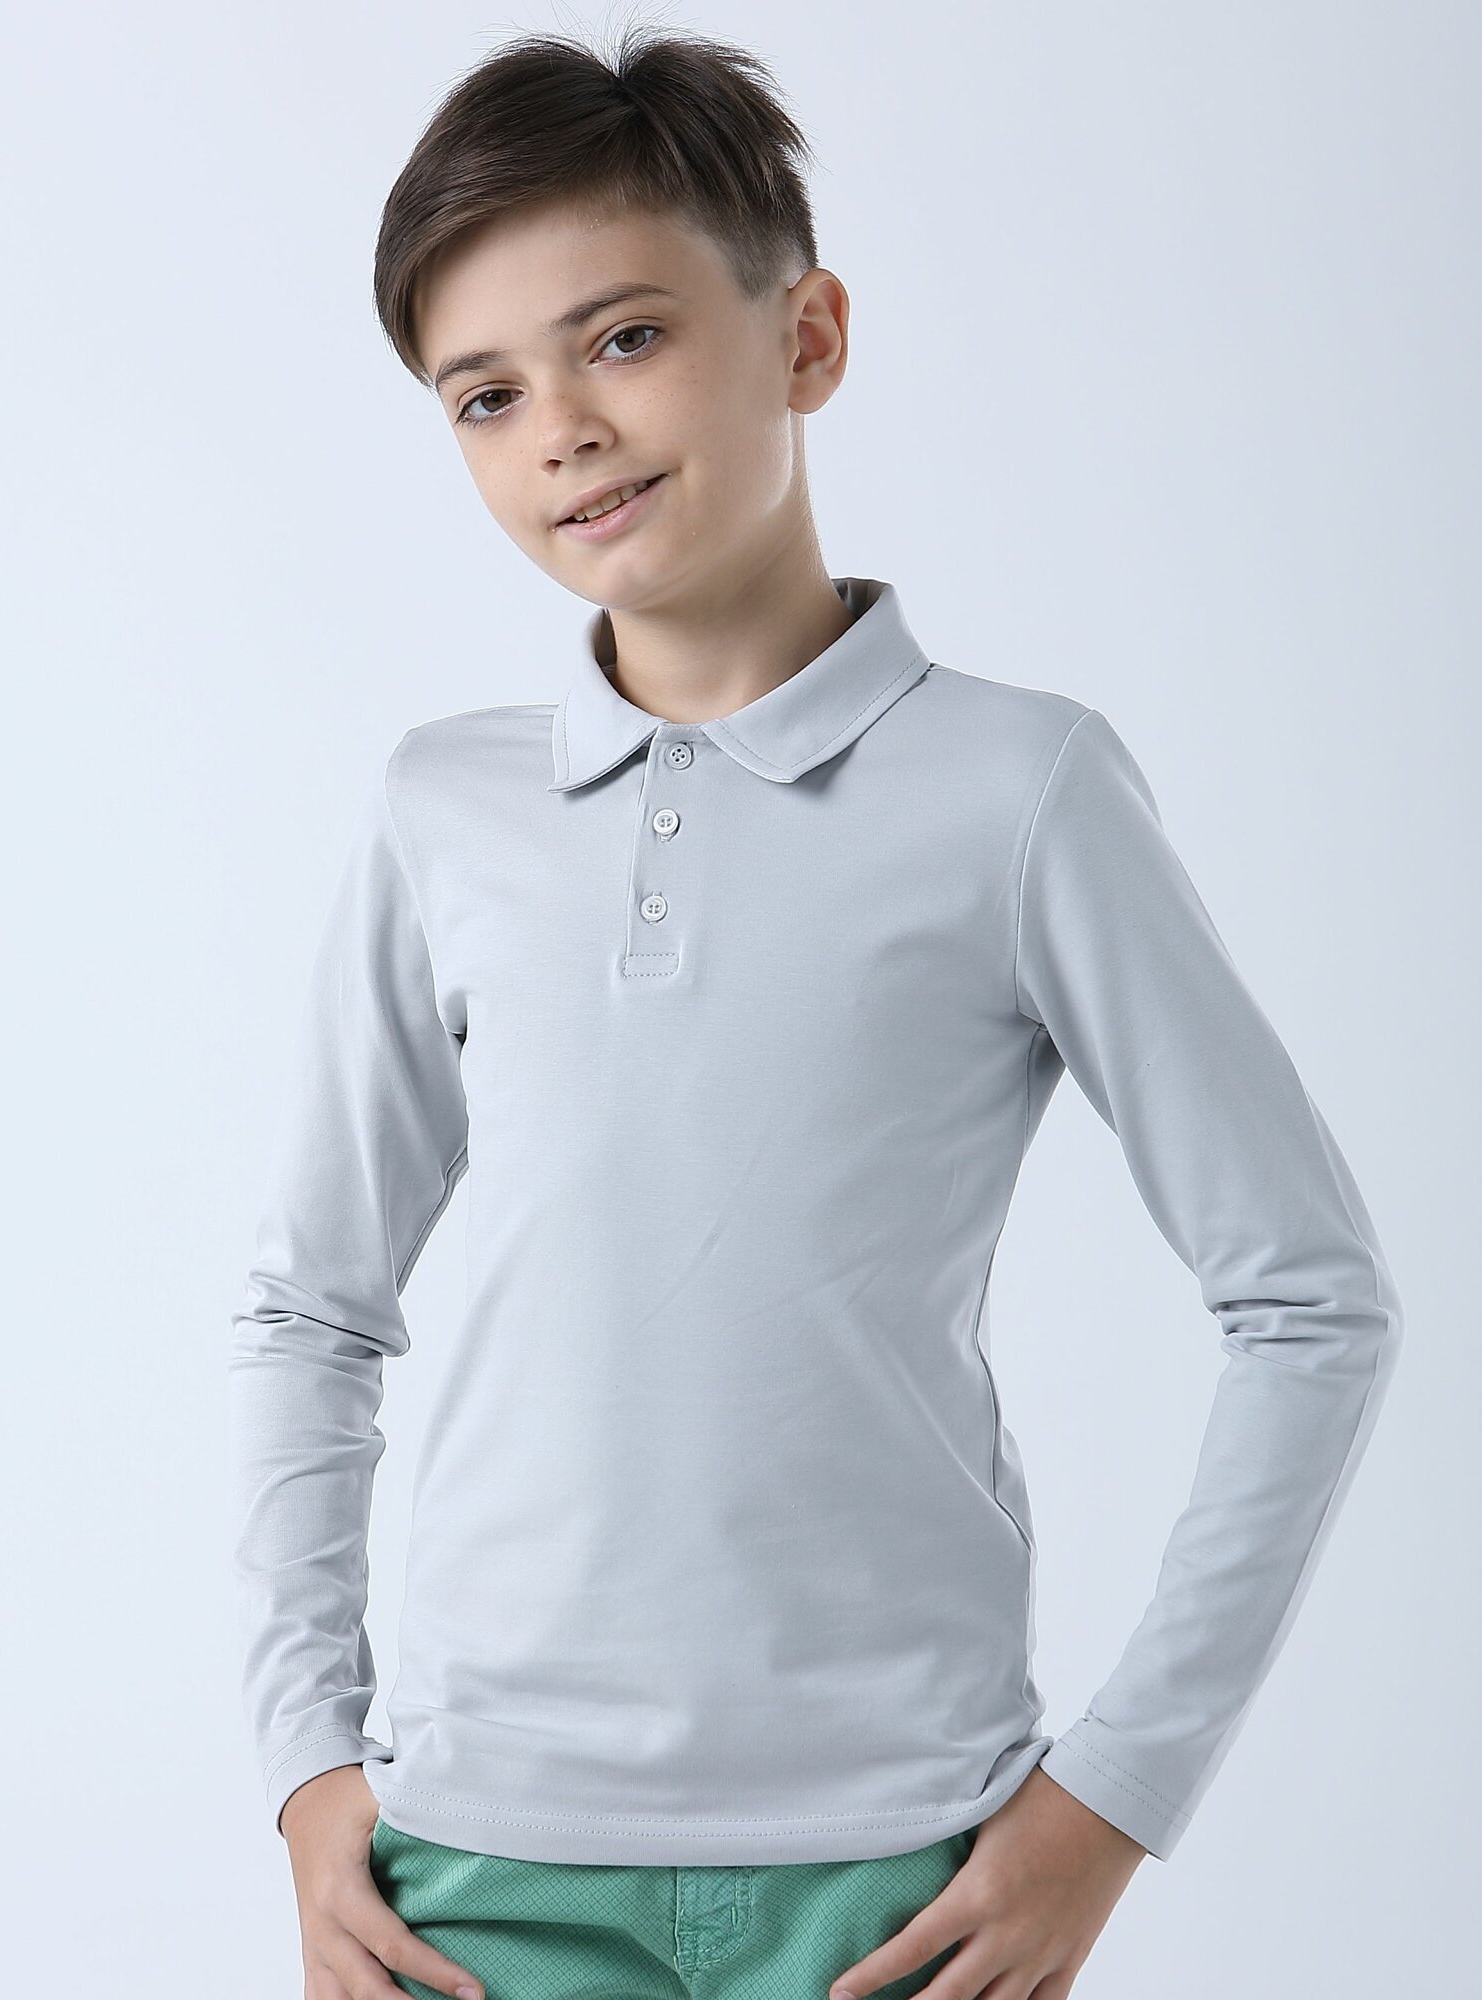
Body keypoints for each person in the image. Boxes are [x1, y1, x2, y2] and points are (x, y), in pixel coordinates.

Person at [227, 24, 1404, 2000]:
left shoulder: (1020, 791)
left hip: (906, 1882)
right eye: (485, 395)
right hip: (477, 1877)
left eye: (622, 339)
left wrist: (1115, 1797)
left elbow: (1310, 1299)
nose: (562, 430)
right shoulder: (443, 811)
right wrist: (304, 1762)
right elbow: (309, 1307)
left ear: (809, 336)